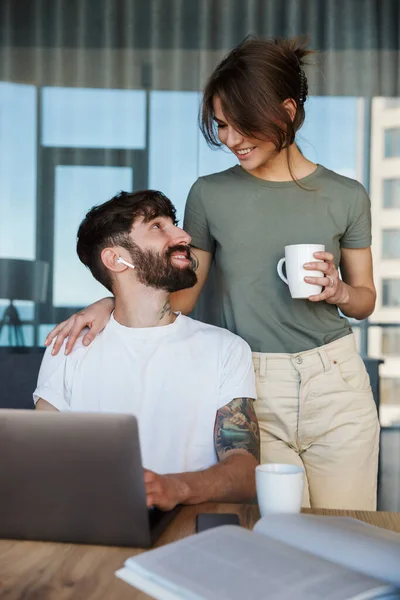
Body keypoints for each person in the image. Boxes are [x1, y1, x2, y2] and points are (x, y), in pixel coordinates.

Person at [46, 38, 379, 511]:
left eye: (241, 125)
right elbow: (177, 294)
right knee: (281, 534)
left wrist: (341, 289)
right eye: (221, 125)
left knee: (350, 530)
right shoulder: (209, 194)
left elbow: (366, 301)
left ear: (286, 111)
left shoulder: (346, 195)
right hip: (257, 382)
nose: (229, 138)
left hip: (337, 379)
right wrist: (108, 302)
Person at [35, 190, 260, 511]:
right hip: (92, 525)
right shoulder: (68, 346)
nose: (183, 235)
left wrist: (175, 488)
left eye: (175, 224)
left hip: (191, 533)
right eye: (157, 226)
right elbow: (40, 464)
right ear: (115, 259)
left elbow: (246, 473)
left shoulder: (226, 348)